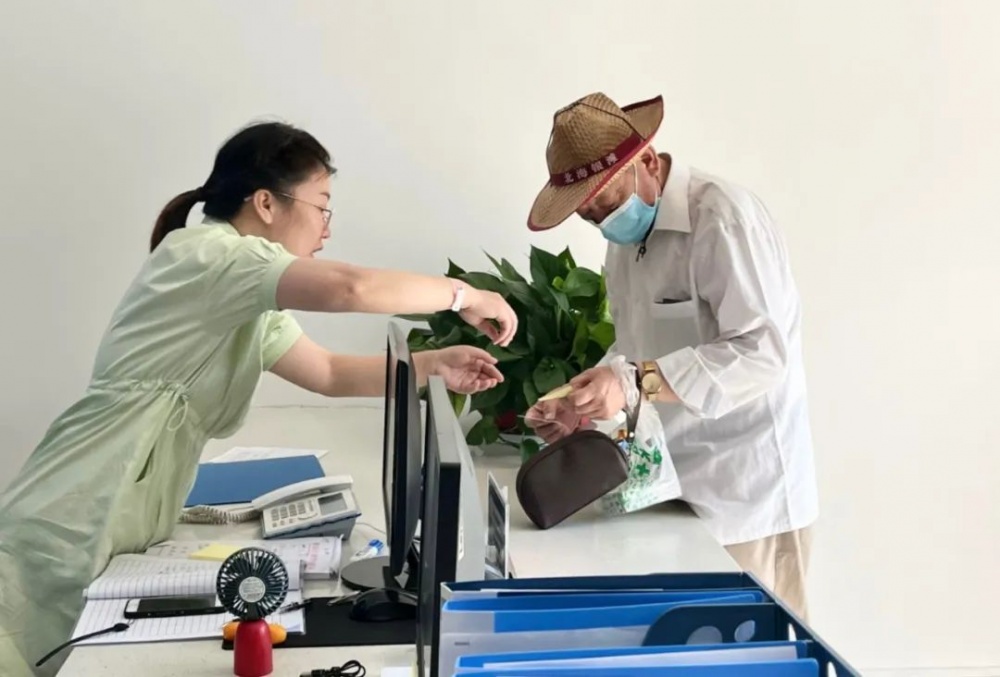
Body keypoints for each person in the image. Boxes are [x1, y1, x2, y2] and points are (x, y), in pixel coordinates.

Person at [0, 120, 518, 676]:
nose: (326, 230)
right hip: (74, 508)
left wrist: (433, 367)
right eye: (322, 208)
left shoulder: (244, 293)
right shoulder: (207, 256)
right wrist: (464, 295)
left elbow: (327, 373)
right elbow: (351, 288)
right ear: (266, 203)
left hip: (119, 513)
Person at [523, 92, 818, 620]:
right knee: (687, 649)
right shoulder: (624, 241)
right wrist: (584, 404)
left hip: (747, 492)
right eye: (589, 216)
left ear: (649, 163)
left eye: (608, 203)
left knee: (758, 650)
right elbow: (636, 350)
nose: (603, 221)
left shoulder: (723, 219)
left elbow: (761, 354)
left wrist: (633, 384)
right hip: (674, 488)